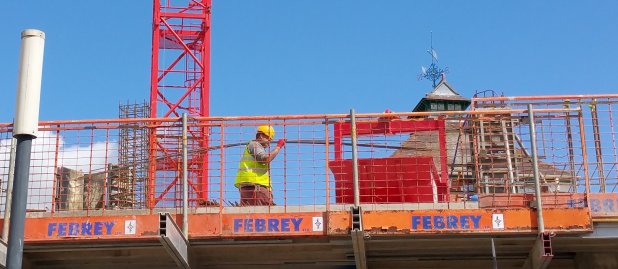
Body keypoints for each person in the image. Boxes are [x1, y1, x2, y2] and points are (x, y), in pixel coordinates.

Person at [235, 125, 285, 205]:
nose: (269, 142)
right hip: (257, 188)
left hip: (249, 188)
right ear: (261, 135)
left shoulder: (251, 146)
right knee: (266, 214)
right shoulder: (255, 145)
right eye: (268, 138)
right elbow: (266, 159)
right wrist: (278, 147)